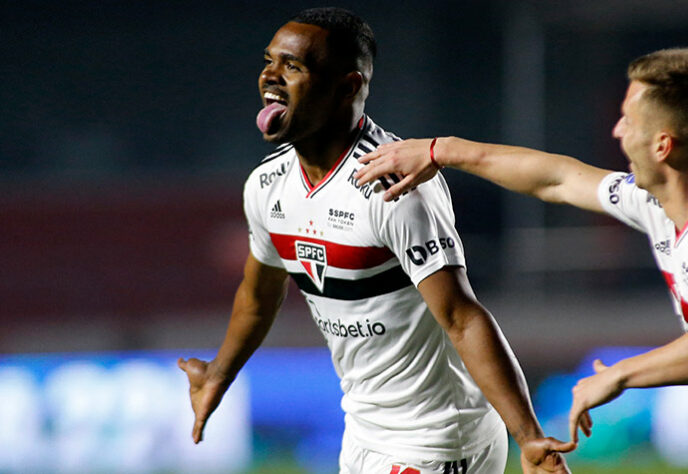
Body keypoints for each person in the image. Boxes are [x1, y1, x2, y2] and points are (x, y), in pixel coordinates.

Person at [354, 47, 688, 473]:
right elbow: (556, 178)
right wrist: (441, 150)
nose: (617, 132)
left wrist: (619, 375)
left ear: (663, 144)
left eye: (628, 121)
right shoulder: (663, 204)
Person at [176, 7, 574, 474]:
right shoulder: (267, 185)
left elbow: (462, 317)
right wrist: (220, 372)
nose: (271, 75)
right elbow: (259, 294)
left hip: (439, 436)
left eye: (294, 66)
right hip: (364, 431)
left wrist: (528, 438)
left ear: (347, 86)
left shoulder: (395, 186)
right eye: (270, 61)